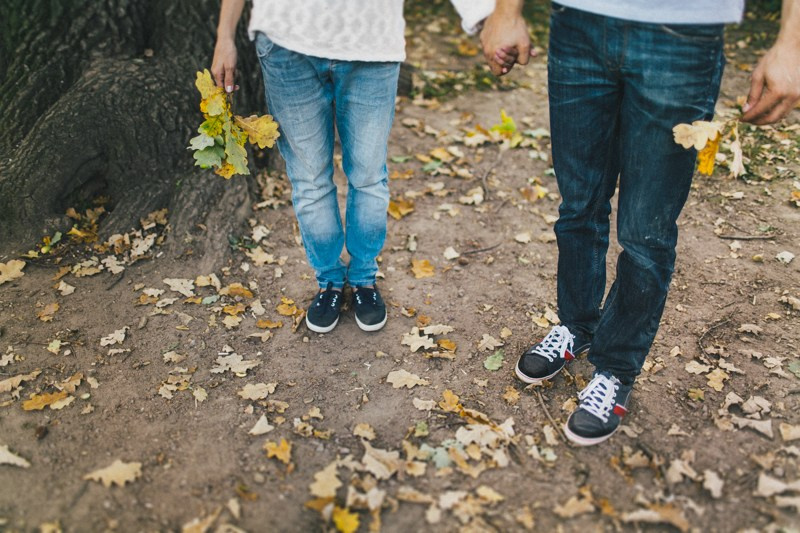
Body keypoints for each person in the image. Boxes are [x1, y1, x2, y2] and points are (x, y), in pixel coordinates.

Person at [480, 0, 800, 445]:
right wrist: (505, 11)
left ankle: (614, 370)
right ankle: (577, 327)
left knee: (645, 232)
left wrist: (793, 40)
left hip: (682, 35)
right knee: (579, 207)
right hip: (578, 23)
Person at [212, 0, 495, 334]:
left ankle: (363, 278)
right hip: (286, 41)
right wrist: (224, 36)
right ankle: (329, 281)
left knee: (368, 176)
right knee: (309, 179)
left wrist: (488, 17)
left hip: (371, 42)